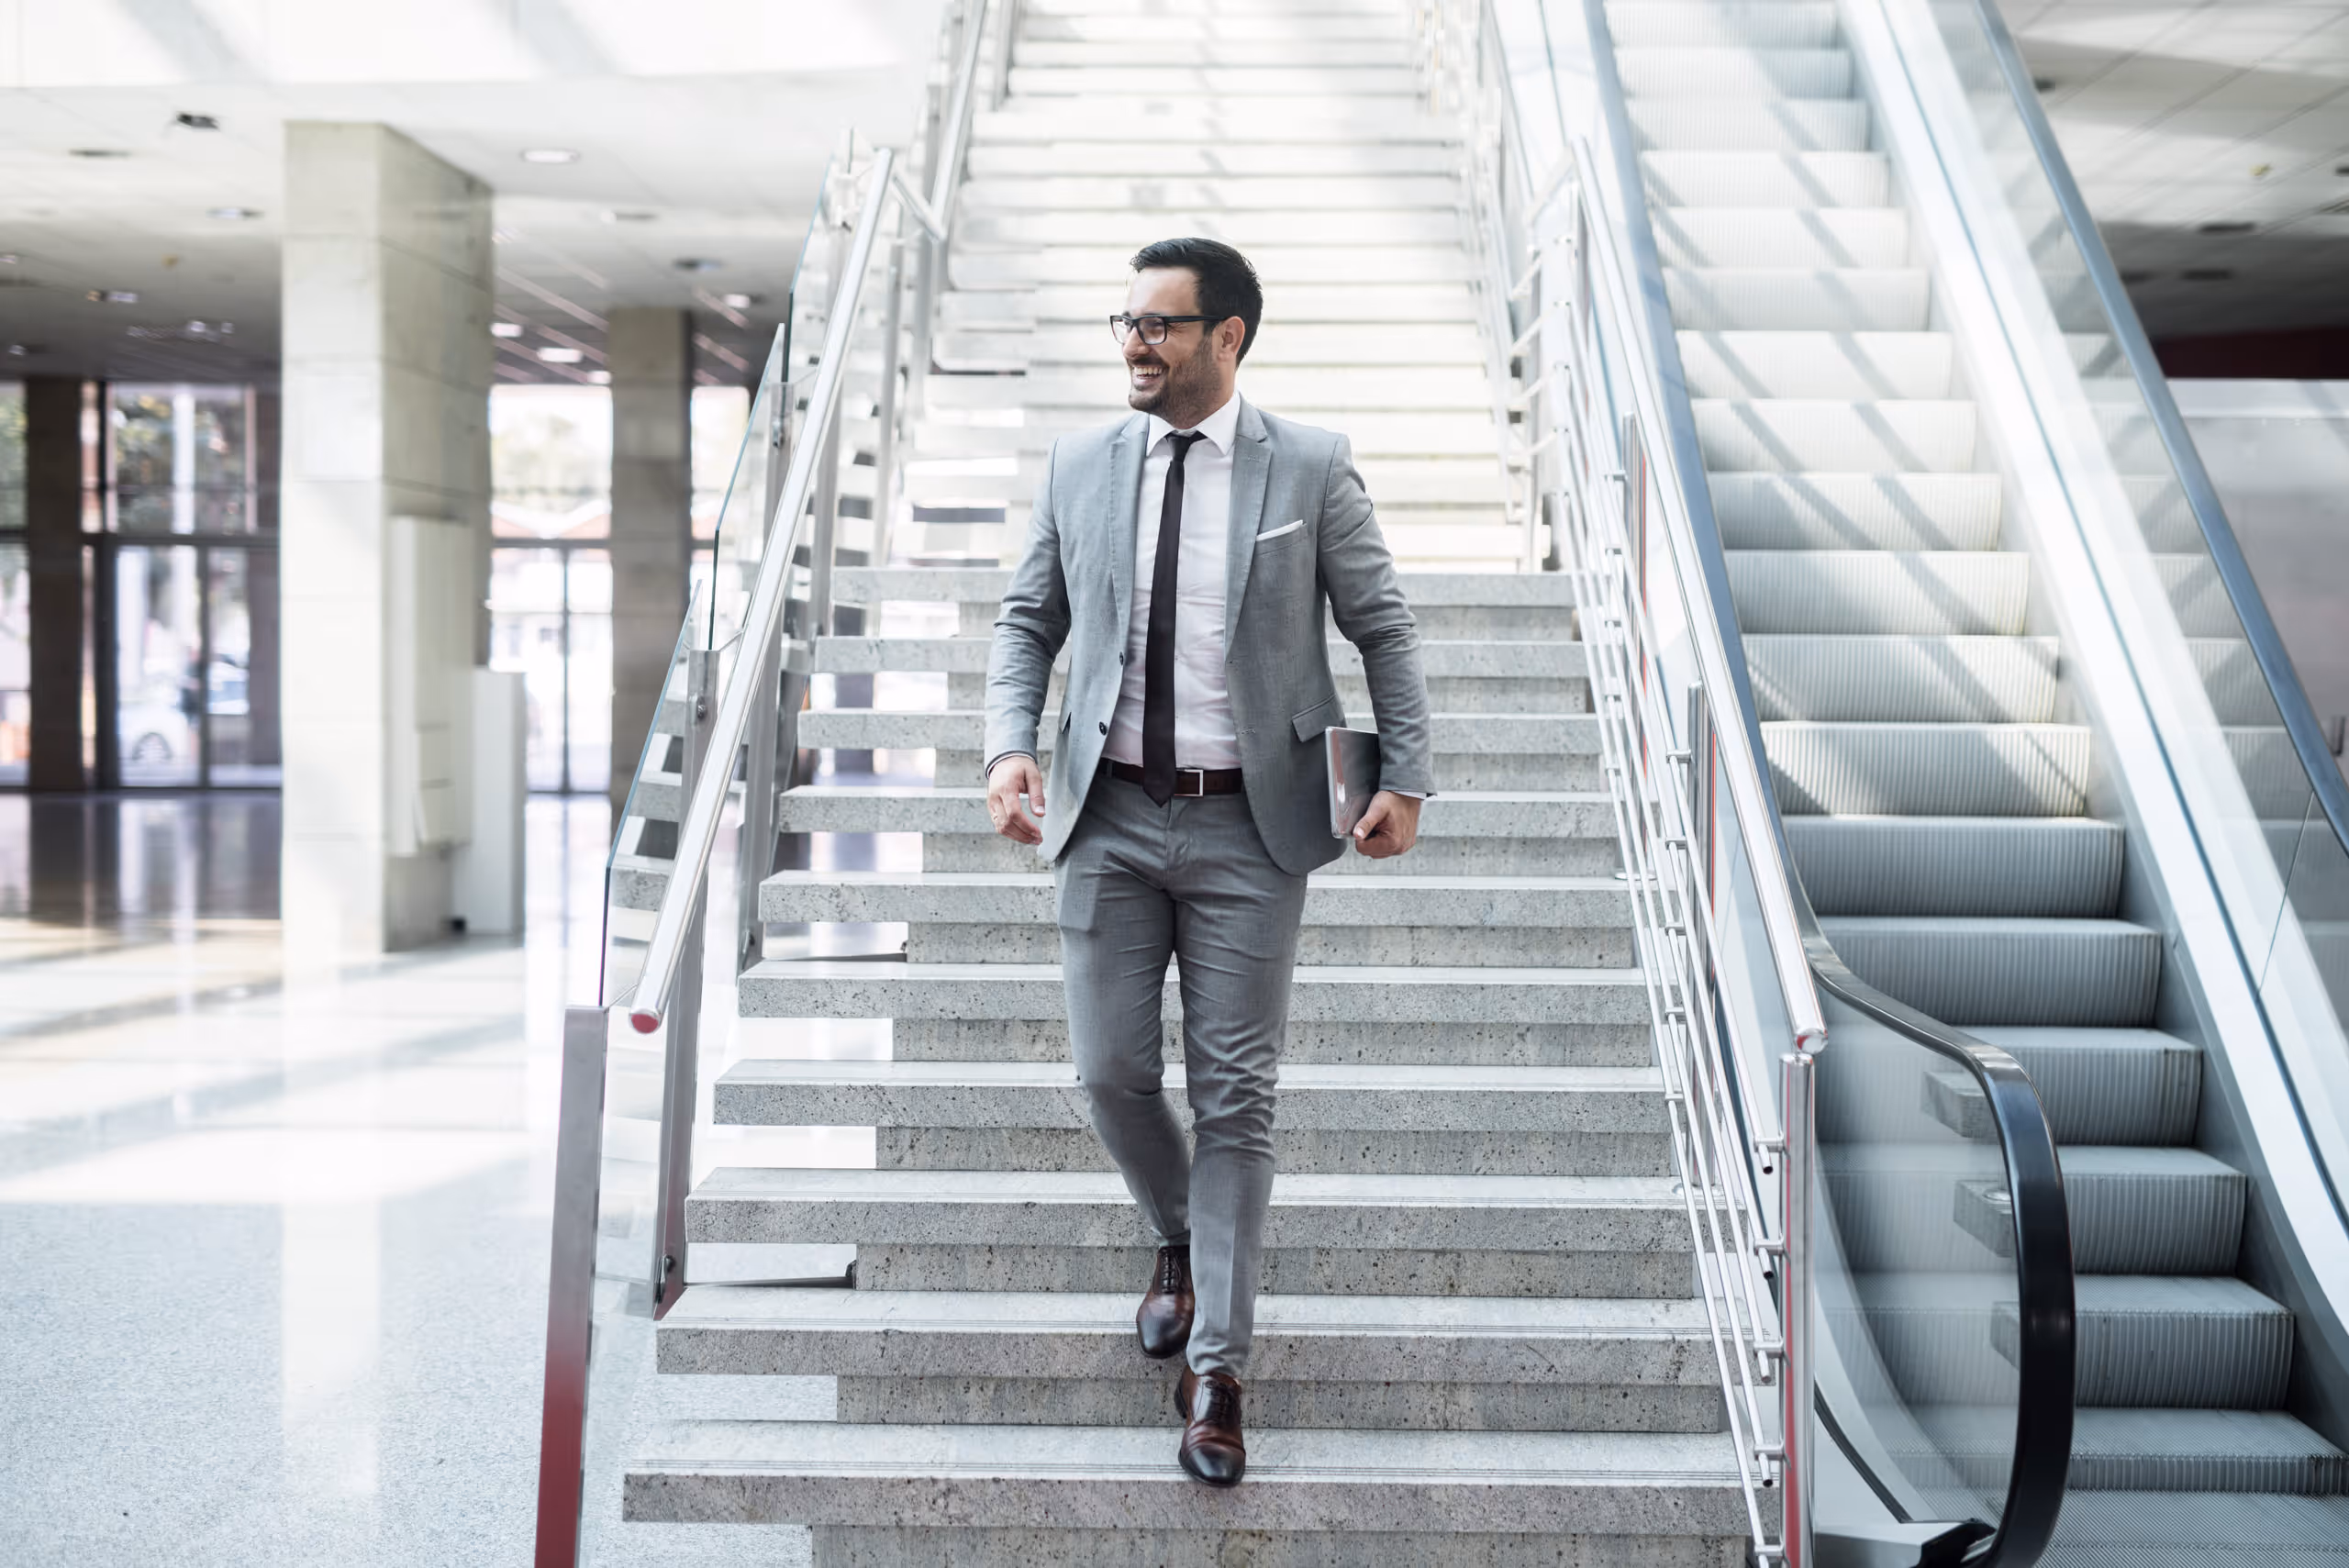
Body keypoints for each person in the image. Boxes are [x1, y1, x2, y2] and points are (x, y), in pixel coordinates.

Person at [983, 237, 1433, 1486]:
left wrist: (1404, 777)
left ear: (1228, 336)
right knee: (1112, 1071)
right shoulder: (1081, 463)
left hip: (1251, 825)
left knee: (1238, 1099)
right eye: (1124, 321)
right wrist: (1004, 751)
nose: (1134, 342)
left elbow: (1382, 626)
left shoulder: (1312, 466)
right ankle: (1180, 1235)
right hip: (1109, 815)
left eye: (1160, 325)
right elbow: (1031, 620)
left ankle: (1220, 1372)